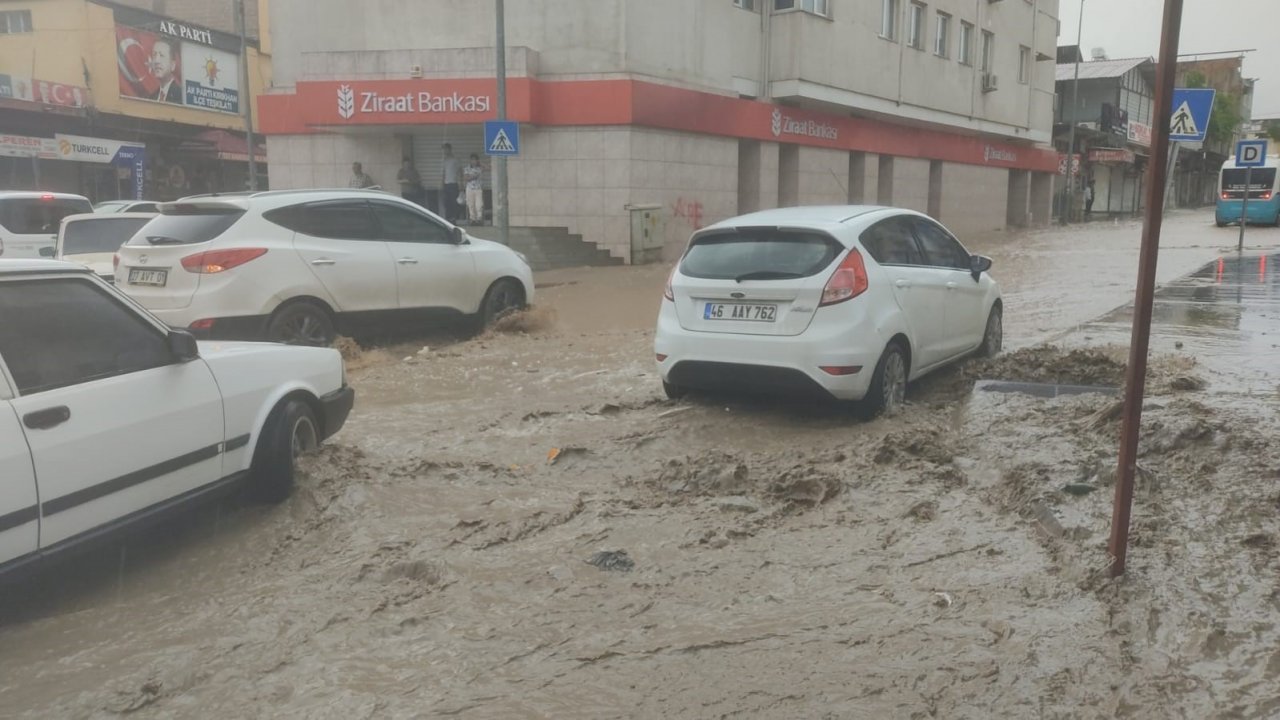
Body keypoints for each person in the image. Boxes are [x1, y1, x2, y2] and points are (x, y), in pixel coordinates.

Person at [150, 39, 182, 104]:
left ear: (172, 65)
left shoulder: (181, 96)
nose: (156, 61)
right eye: (154, 55)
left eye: (161, 55)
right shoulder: (151, 98)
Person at [441, 143, 461, 222]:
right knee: (446, 202)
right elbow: (444, 172)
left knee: (453, 202)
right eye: (444, 149)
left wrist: (461, 183)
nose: (445, 151)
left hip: (453, 183)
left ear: (449, 149)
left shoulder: (455, 159)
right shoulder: (444, 160)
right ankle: (448, 218)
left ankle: (454, 218)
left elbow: (460, 171)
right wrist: (442, 183)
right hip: (446, 184)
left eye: (446, 149)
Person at [463, 154, 485, 225]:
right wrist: (474, 176)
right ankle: (472, 219)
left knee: (479, 205)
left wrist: (480, 163)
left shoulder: (480, 168)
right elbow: (466, 178)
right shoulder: (467, 168)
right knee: (471, 205)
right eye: (472, 160)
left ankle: (479, 219)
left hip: (478, 188)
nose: (473, 161)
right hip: (470, 189)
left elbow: (489, 168)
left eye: (475, 160)